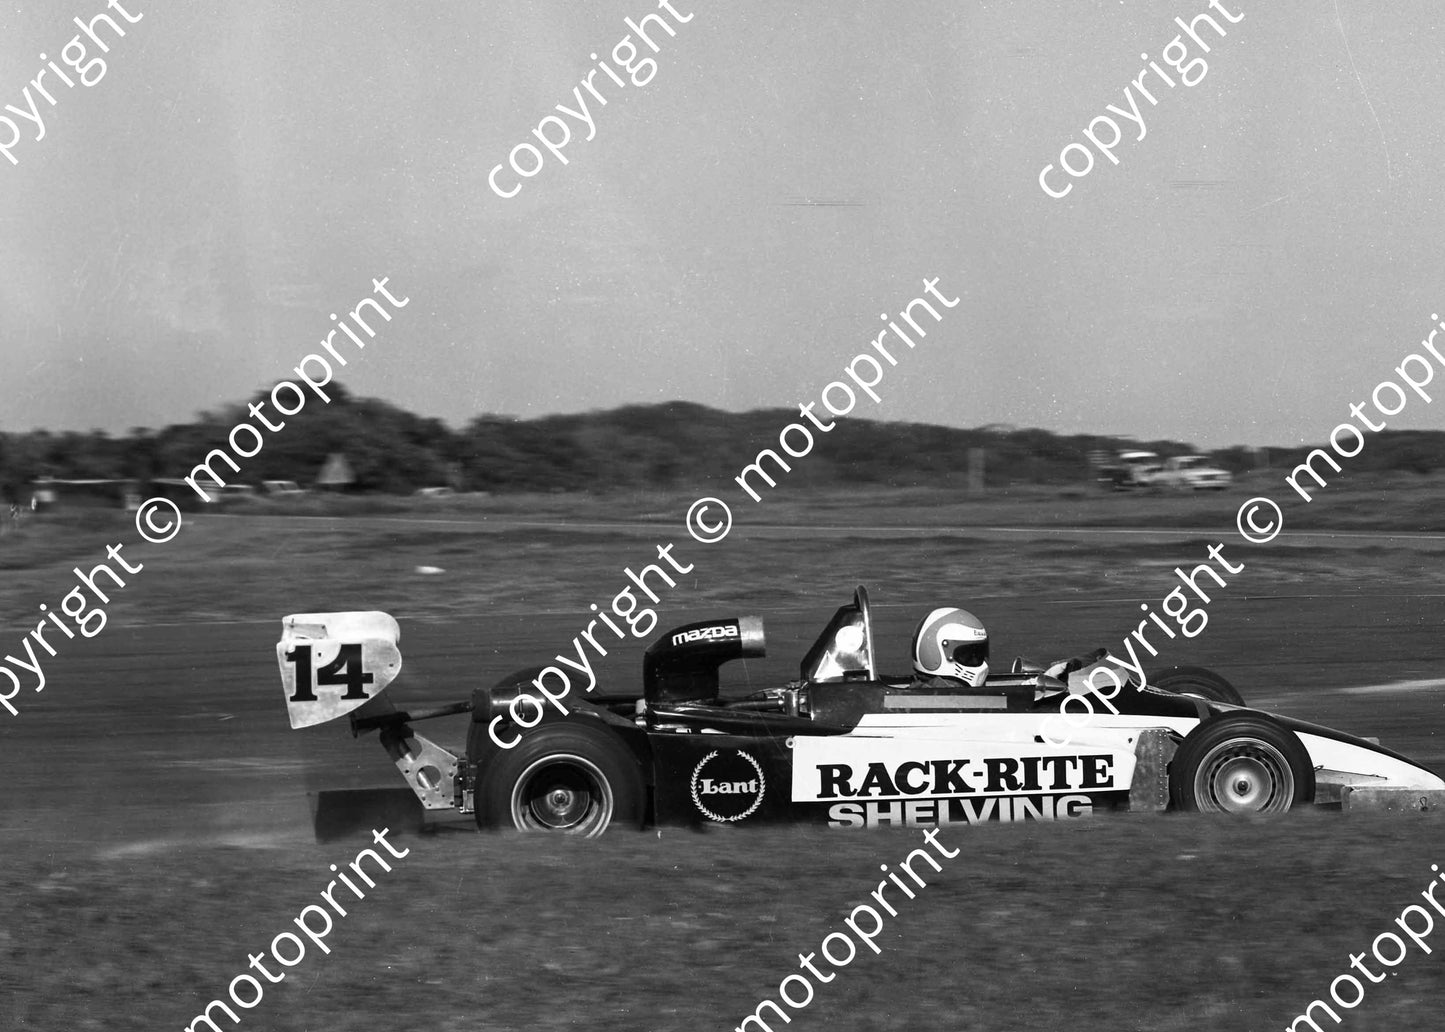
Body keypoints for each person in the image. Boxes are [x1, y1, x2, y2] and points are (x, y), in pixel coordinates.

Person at [910, 607, 990, 687]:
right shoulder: (938, 698)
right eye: (968, 655)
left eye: (979, 654)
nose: (983, 665)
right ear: (935, 654)